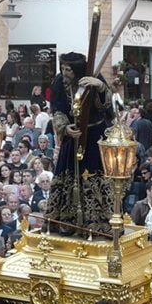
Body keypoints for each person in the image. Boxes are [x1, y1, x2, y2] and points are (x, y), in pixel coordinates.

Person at [46, 52, 114, 235]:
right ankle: (65, 220)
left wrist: (100, 87)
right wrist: (65, 128)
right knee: (67, 176)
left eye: (68, 69)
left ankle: (99, 222)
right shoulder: (60, 82)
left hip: (93, 136)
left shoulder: (94, 77)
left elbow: (106, 107)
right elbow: (57, 109)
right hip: (72, 135)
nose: (64, 72)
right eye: (63, 68)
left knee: (96, 176)